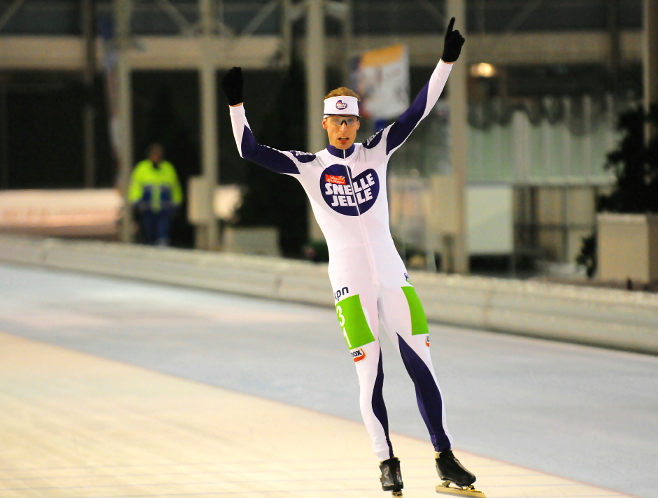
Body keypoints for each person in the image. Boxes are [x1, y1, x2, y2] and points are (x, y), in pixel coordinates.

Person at [223, 19, 483, 498]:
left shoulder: (377, 151)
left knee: (423, 366)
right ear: (324, 124)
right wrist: (236, 105)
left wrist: (446, 62)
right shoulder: (308, 166)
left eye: (350, 121)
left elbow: (419, 111)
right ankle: (386, 461)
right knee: (372, 376)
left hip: (393, 276)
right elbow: (249, 150)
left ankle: (445, 456)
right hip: (350, 284)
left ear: (358, 123)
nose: (344, 129)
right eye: (336, 121)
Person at [128, 143, 183, 246]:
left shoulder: (168, 169)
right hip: (147, 208)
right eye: (154, 155)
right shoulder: (142, 169)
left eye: (158, 155)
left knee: (163, 234)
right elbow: (136, 186)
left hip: (164, 209)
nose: (156, 158)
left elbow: (175, 187)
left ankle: (162, 251)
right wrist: (136, 201)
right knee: (149, 234)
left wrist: (176, 203)